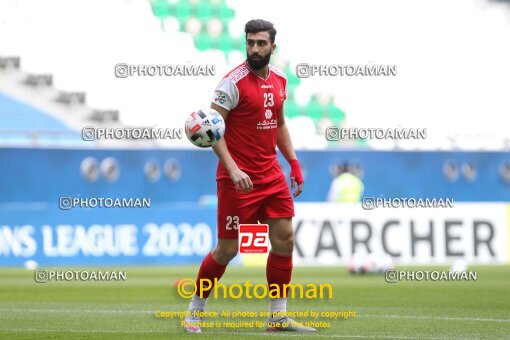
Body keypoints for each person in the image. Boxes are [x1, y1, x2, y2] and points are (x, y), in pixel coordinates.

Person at [183, 19, 315, 333]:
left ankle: (278, 317)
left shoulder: (281, 80)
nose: (255, 48)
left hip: (271, 175)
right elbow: (213, 130)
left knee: (285, 239)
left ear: (272, 47)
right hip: (236, 179)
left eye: (261, 43)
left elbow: (279, 125)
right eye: (250, 42)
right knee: (227, 250)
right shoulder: (231, 83)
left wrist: (293, 164)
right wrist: (232, 168)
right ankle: (194, 312)